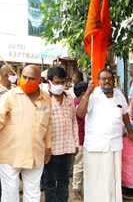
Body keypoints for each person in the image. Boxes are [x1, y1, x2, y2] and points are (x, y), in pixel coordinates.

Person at [77, 68, 133, 202]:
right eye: (103, 79)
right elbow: (80, 113)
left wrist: (130, 131)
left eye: (109, 78)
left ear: (113, 80)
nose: (107, 81)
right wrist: (87, 92)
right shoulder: (92, 94)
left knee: (112, 179)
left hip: (114, 145)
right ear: (98, 81)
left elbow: (125, 113)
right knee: (96, 179)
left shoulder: (119, 94)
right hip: (95, 146)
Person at [0, 65, 52, 202]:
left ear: (39, 80)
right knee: (10, 195)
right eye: (24, 77)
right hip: (10, 156)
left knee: (33, 194)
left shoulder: (46, 98)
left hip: (35, 154)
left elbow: (48, 123)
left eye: (31, 78)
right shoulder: (9, 97)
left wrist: (48, 146)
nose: (26, 80)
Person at [44, 66, 79, 202]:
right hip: (50, 150)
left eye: (62, 83)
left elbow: (73, 121)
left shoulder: (69, 97)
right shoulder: (44, 99)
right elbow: (42, 125)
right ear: (49, 83)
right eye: (57, 83)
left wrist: (75, 143)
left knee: (64, 182)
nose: (60, 86)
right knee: (50, 183)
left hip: (67, 148)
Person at [72, 82, 88, 201]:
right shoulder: (78, 104)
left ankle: (78, 189)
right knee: (79, 166)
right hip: (81, 140)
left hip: (82, 139)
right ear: (84, 93)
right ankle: (76, 191)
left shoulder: (75, 102)